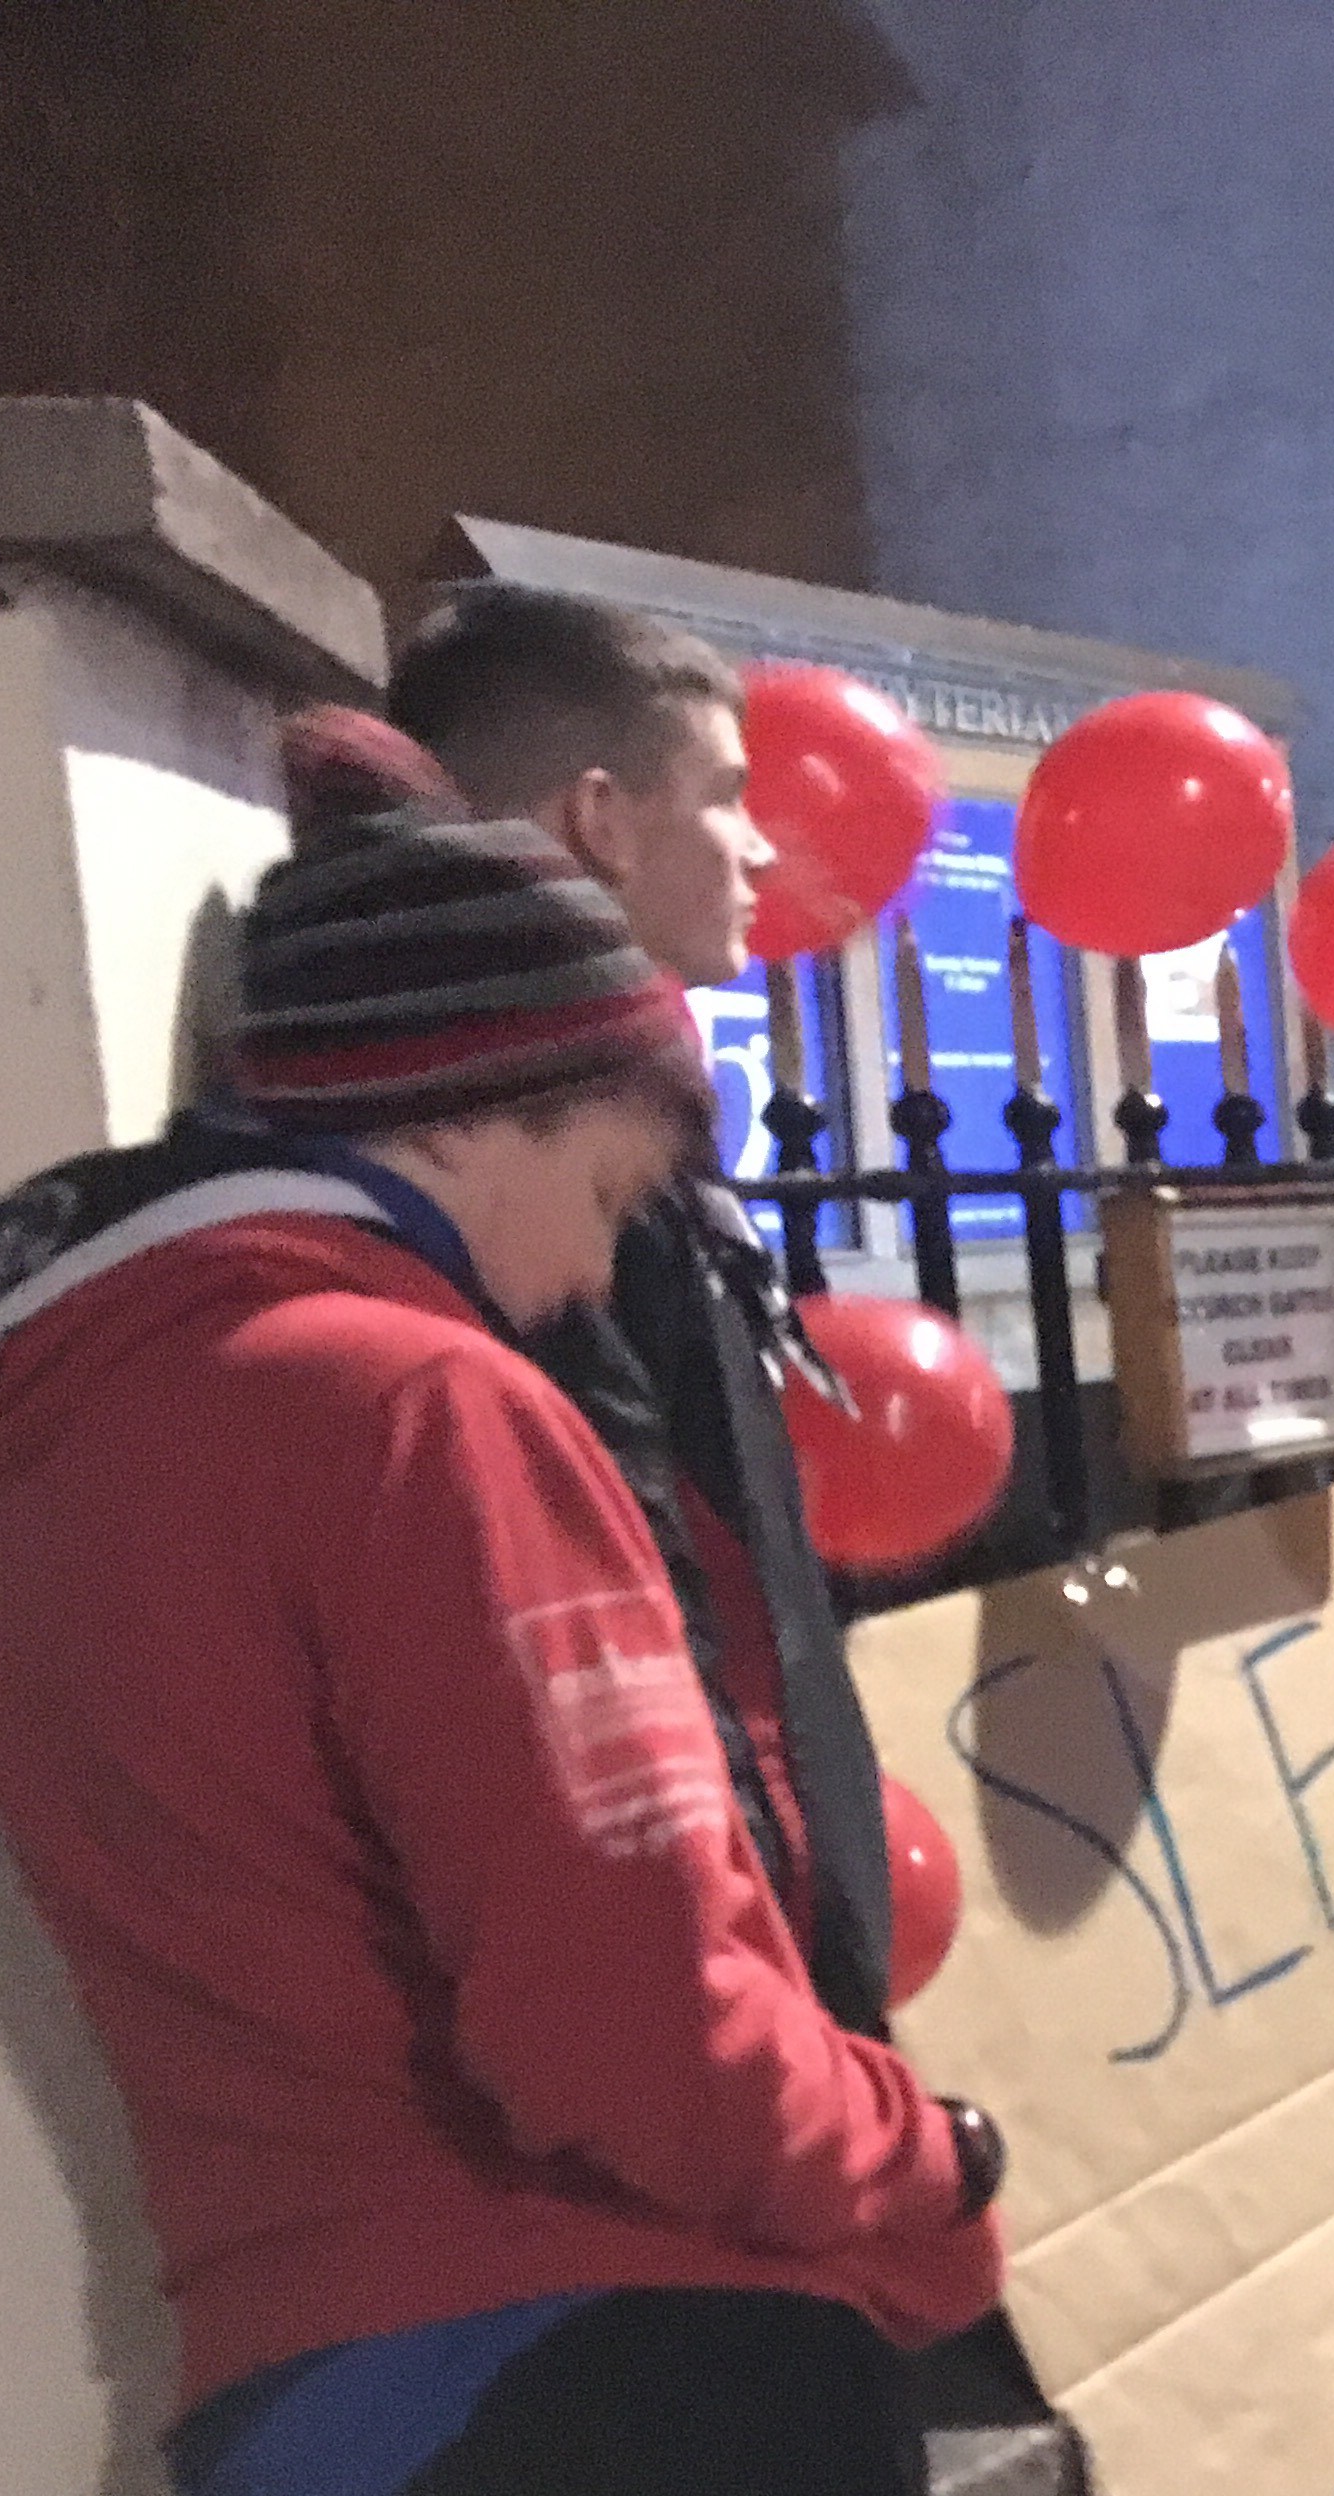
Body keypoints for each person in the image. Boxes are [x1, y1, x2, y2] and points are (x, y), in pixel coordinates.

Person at [0, 711, 1008, 2496]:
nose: (574, 1283)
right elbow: (632, 2025)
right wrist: (929, 2164)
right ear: (470, 1119)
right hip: (594, 2375)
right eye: (610, 1198)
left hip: (320, 2403)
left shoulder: (71, 1428)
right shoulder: (419, 1405)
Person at [386, 584, 910, 2050]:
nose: (761, 846)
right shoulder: (539, 1182)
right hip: (732, 2018)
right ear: (602, 820)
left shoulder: (606, 1128)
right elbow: (650, 1638)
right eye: (726, 795)